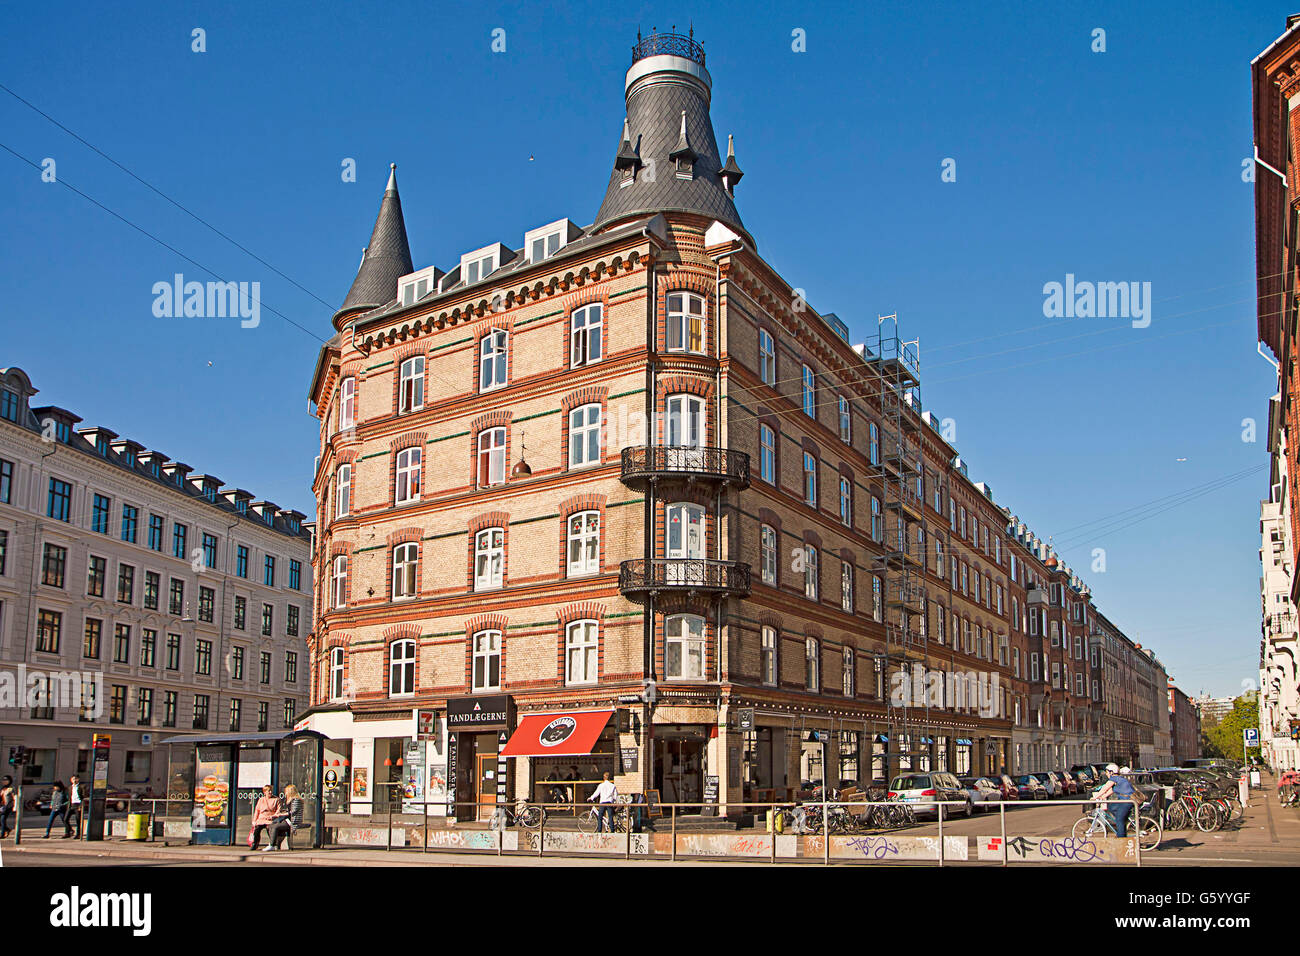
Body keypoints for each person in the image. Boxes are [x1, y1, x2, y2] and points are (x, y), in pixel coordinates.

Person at [1093, 763, 1136, 837]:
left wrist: (1095, 798)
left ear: (1111, 772)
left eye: (1106, 772)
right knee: (1112, 807)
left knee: (1119, 819)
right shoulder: (1119, 779)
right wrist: (1103, 797)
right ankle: (1122, 823)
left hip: (1127, 801)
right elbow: (1112, 790)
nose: (1106, 774)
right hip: (1125, 800)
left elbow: (1104, 789)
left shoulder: (1114, 778)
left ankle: (1121, 838)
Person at [264, 784, 303, 850]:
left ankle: (272, 845)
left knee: (275, 826)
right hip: (287, 819)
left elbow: (293, 812)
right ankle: (275, 843)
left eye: (286, 791)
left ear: (291, 792)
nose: (285, 793)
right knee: (271, 824)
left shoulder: (296, 800)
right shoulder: (288, 800)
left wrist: (282, 814)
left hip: (292, 821)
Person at [250, 784, 282, 849]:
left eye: (271, 791)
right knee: (257, 829)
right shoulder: (261, 800)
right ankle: (255, 844)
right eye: (268, 791)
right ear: (264, 792)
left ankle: (273, 844)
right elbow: (257, 810)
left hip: (270, 818)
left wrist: (273, 816)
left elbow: (278, 811)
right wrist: (254, 820)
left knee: (270, 828)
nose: (270, 792)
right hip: (261, 818)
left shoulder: (276, 799)